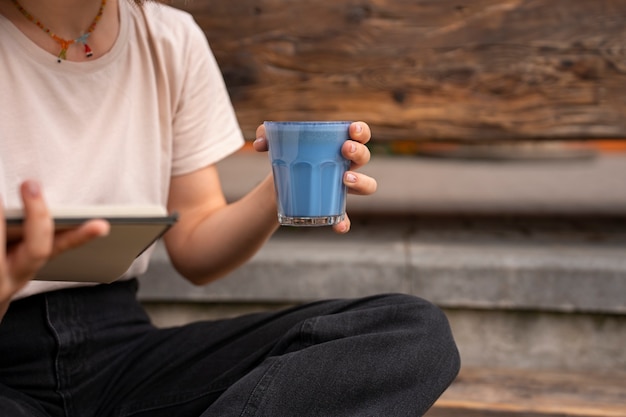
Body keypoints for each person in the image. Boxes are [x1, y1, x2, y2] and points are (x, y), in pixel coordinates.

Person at [0, 0, 460, 415]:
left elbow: (197, 249)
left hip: (121, 351)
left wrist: (284, 184)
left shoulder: (169, 38)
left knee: (410, 332)